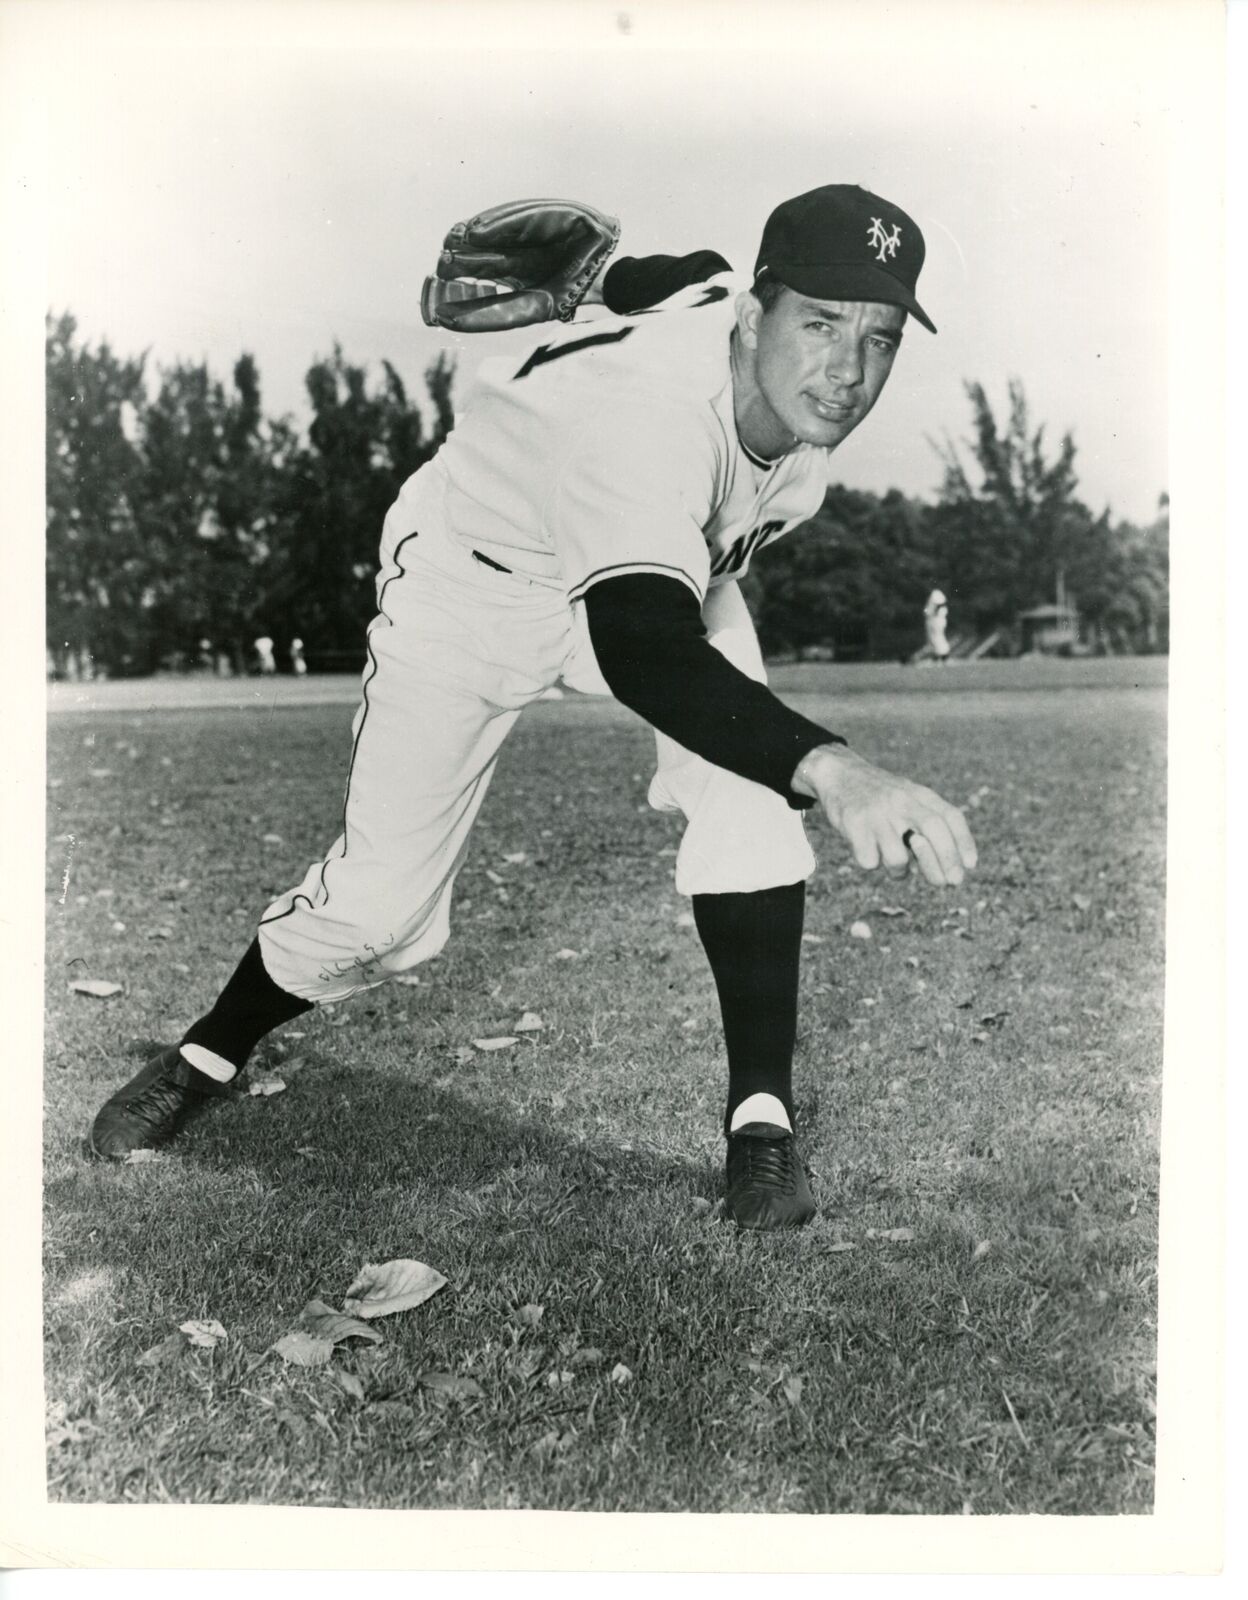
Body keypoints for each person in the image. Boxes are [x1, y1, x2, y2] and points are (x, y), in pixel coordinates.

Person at [90, 184, 977, 1230]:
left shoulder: (754, 341)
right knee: (378, 908)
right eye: (821, 324)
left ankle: (762, 1130)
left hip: (652, 563)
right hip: (476, 581)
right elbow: (645, 652)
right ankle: (205, 1053)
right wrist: (836, 766)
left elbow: (681, 271)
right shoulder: (652, 423)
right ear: (755, 315)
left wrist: (606, 283)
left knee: (750, 803)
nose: (848, 366)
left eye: (878, 339)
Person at [924, 589, 951, 663]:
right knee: (933, 638)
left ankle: (943, 655)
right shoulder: (934, 594)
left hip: (936, 619)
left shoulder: (936, 593)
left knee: (938, 637)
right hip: (934, 619)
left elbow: (939, 604)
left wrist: (934, 613)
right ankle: (937, 655)